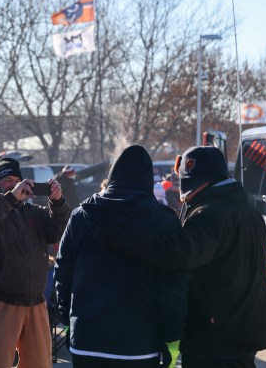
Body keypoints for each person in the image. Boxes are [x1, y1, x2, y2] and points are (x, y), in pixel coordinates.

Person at [95, 146, 266, 368]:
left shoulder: (211, 214)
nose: (182, 190)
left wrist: (117, 239)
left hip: (216, 337)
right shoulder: (246, 210)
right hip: (241, 328)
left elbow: (175, 253)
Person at [54, 145, 188, 368]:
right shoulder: (164, 222)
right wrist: (172, 339)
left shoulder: (81, 215)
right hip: (139, 345)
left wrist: (66, 321)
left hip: (86, 339)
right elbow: (173, 286)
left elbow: (63, 273)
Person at [0, 157, 72, 368]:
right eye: (7, 180)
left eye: (16, 180)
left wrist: (57, 202)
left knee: (39, 364)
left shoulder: (32, 212)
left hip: (34, 302)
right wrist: (10, 198)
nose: (14, 184)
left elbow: (56, 232)